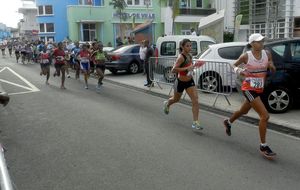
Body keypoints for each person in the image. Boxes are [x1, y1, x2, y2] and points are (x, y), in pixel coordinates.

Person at [223, 33, 277, 158]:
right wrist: (239, 71)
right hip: (248, 88)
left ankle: (228, 122)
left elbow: (272, 67)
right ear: (252, 43)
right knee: (265, 116)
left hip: (259, 88)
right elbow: (233, 65)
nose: (262, 43)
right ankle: (263, 145)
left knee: (243, 111)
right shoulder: (246, 56)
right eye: (259, 41)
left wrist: (271, 66)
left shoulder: (267, 54)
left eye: (262, 41)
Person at [162, 39, 202, 130]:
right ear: (182, 47)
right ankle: (167, 103)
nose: (190, 47)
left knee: (195, 99)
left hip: (189, 81)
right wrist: (188, 68)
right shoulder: (181, 57)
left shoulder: (190, 55)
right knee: (176, 99)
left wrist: (193, 68)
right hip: (180, 82)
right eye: (187, 46)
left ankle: (195, 122)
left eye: (190, 45)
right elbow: (173, 70)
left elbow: (189, 67)